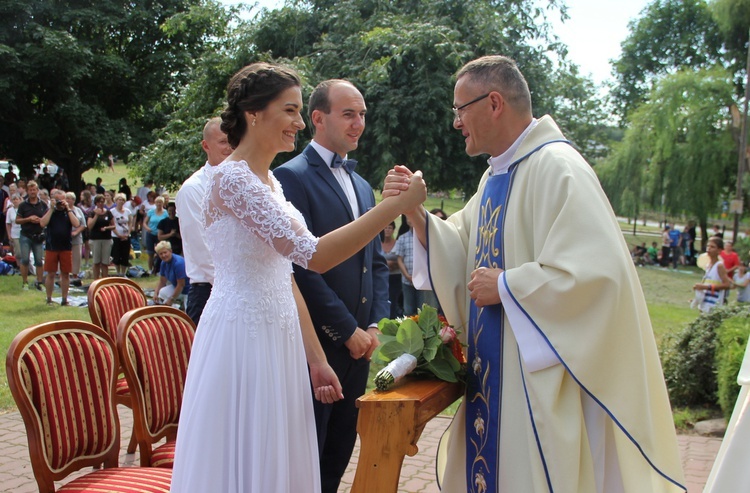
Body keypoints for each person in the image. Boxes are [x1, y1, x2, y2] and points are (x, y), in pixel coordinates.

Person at [384, 55, 684, 492]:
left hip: (533, 383)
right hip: (497, 376)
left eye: (459, 109)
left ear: (494, 103)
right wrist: (416, 213)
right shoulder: (494, 178)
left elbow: (598, 278)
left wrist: (507, 285)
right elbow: (462, 248)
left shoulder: (559, 168)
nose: (455, 123)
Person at [169, 62, 425, 493]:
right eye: (289, 110)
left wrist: (317, 359)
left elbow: (284, 278)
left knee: (279, 460)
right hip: (242, 341)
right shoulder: (232, 180)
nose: (299, 122)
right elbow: (314, 256)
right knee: (247, 456)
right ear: (254, 113)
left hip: (280, 336)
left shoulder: (269, 182)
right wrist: (393, 207)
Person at [273, 78, 390, 493]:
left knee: (339, 451)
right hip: (318, 343)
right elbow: (300, 268)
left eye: (362, 115)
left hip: (361, 344)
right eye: (348, 114)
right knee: (308, 453)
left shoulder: (362, 184)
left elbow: (375, 262)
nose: (358, 123)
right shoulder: (290, 176)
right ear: (318, 118)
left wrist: (374, 324)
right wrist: (345, 329)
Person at [175, 117, 232, 325]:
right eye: (223, 141)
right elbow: (203, 252)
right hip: (210, 292)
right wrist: (237, 295)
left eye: (233, 140)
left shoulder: (246, 182)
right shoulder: (193, 189)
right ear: (206, 146)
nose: (230, 147)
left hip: (241, 290)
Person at [40, 190, 79, 305]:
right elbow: (42, 223)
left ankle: (64, 299)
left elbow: (76, 224)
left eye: (61, 200)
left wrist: (68, 208)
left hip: (66, 247)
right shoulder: (50, 211)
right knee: (51, 273)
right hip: (51, 247)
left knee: (65, 274)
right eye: (57, 200)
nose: (59, 203)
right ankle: (49, 298)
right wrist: (52, 208)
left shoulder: (69, 212)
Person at [15, 181, 48, 291]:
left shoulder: (43, 205)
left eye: (34, 190)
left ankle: (39, 282)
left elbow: (47, 219)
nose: (32, 192)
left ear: (37, 191)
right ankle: (25, 282)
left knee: (39, 260)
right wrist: (29, 219)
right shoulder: (23, 205)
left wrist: (40, 220)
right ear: (27, 191)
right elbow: (17, 220)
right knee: (24, 260)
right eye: (30, 190)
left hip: (38, 236)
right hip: (25, 235)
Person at [694, 236, 733, 312]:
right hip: (705, 301)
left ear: (719, 250)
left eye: (712, 247)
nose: (709, 248)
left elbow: (727, 284)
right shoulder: (708, 265)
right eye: (708, 246)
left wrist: (706, 287)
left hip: (714, 303)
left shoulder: (719, 266)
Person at [153, 240, 190, 306]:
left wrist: (171, 299)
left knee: (189, 312)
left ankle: (178, 305)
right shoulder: (163, 263)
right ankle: (172, 307)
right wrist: (156, 293)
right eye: (161, 254)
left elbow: (181, 284)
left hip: (188, 290)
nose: (163, 255)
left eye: (165, 252)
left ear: (170, 251)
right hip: (176, 286)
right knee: (162, 292)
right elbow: (162, 281)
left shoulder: (178, 263)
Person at [87, 194, 114, 279]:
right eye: (99, 202)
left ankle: (105, 279)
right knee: (96, 262)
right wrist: (96, 215)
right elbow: (90, 226)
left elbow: (113, 226)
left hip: (106, 238)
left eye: (103, 202)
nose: (101, 204)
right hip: (95, 239)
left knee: (105, 262)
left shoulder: (108, 213)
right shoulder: (92, 213)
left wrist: (106, 228)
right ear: (96, 203)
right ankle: (96, 280)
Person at [381, 221, 402, 318]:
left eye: (390, 228)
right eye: (385, 228)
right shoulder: (378, 243)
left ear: (393, 230)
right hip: (382, 277)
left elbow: (402, 259)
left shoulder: (398, 243)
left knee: (394, 301)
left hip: (395, 277)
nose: (387, 230)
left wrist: (394, 263)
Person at [65, 192, 86, 285]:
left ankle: (75, 275)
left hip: (76, 237)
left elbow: (83, 224)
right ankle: (66, 275)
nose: (68, 200)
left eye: (69, 198)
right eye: (66, 198)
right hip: (65, 237)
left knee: (76, 256)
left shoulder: (78, 210)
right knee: (65, 256)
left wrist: (76, 232)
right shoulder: (62, 210)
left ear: (73, 200)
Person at [143, 195, 167, 274]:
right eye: (157, 202)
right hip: (151, 234)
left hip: (160, 235)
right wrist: (147, 228)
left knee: (160, 252)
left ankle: (159, 269)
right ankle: (150, 269)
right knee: (150, 253)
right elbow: (145, 222)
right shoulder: (151, 212)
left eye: (160, 202)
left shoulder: (165, 213)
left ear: (163, 203)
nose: (159, 204)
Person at [110, 193, 133, 276]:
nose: (121, 201)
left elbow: (130, 223)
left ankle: (123, 273)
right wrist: (118, 235)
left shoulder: (128, 211)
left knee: (125, 254)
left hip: (126, 236)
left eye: (123, 200)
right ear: (116, 201)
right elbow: (111, 224)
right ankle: (117, 272)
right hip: (116, 236)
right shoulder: (112, 212)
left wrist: (128, 233)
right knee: (116, 254)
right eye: (119, 199)